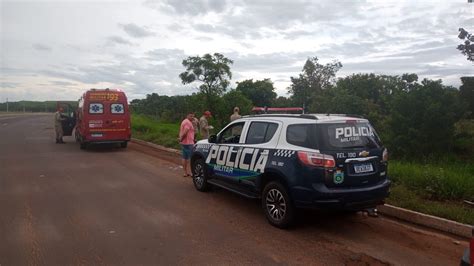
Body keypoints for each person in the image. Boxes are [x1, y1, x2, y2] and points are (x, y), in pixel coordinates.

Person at [179, 112, 195, 177]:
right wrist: (181, 139)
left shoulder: (184, 121)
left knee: (184, 157)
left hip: (184, 143)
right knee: (191, 158)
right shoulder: (188, 122)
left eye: (193, 116)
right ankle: (191, 173)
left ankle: (185, 173)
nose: (192, 117)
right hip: (189, 143)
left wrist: (181, 140)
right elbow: (185, 132)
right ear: (187, 116)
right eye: (191, 116)